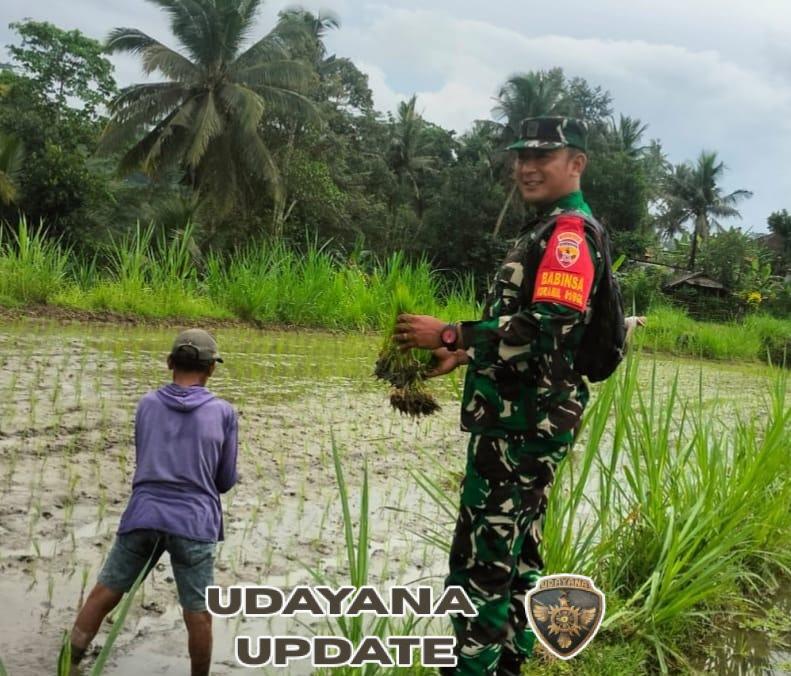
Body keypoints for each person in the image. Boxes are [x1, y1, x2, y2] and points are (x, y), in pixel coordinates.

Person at [395, 117, 614, 676]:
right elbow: (536, 336)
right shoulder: (548, 229)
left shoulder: (567, 233)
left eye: (545, 155)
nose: (528, 166)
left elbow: (551, 325)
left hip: (521, 429)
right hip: (525, 423)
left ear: (576, 163)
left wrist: (451, 333)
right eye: (522, 156)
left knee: (480, 568)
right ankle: (509, 664)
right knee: (517, 560)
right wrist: (466, 356)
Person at [68, 329, 238, 676]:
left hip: (143, 514)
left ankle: (68, 663)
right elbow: (223, 481)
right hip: (194, 523)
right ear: (211, 370)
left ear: (169, 363)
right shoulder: (223, 413)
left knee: (103, 595)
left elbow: (146, 456)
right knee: (198, 611)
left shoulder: (147, 404)